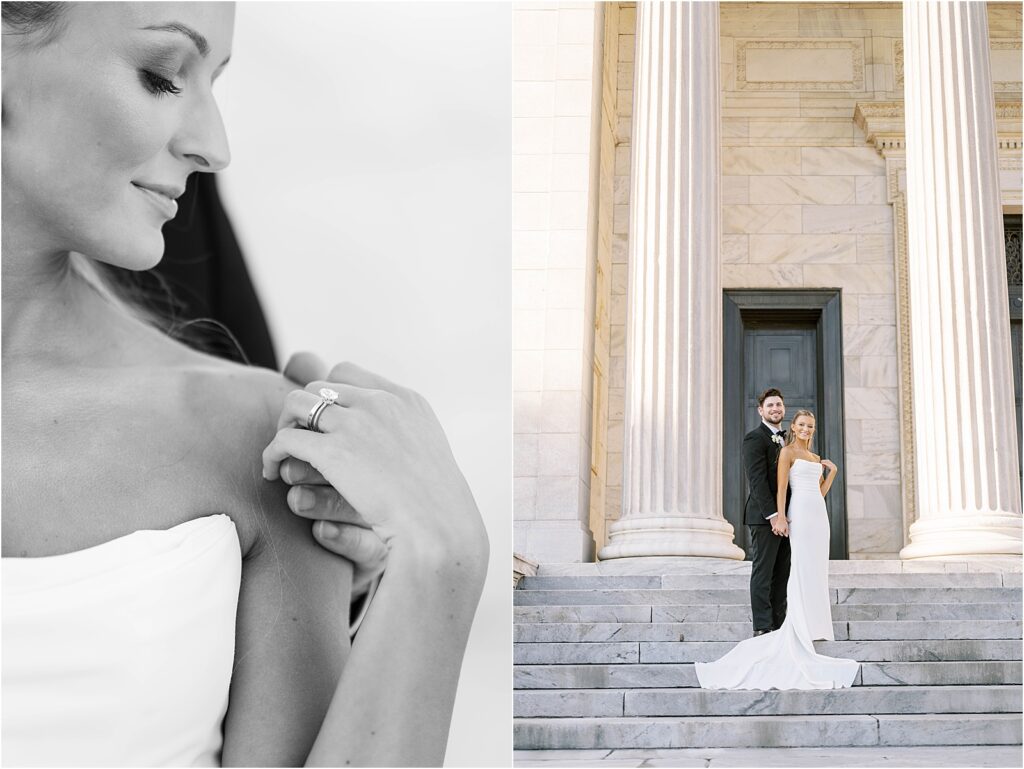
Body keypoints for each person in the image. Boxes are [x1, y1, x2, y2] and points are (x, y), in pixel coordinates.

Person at [0, 3, 489, 766]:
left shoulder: (251, 434)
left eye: (216, 83)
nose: (215, 146)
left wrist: (444, 559)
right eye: (161, 76)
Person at [695, 410, 859, 689]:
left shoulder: (815, 458)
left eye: (811, 426)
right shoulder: (787, 453)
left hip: (818, 514)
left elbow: (819, 493)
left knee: (816, 568)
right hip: (799, 514)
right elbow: (782, 488)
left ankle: (816, 623)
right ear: (793, 427)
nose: (806, 429)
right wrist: (780, 516)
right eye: (802, 425)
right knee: (800, 567)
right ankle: (796, 623)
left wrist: (832, 472)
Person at [742, 388, 791, 636]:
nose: (775, 409)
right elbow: (757, 481)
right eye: (770, 405)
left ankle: (778, 625)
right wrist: (773, 517)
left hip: (787, 518)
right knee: (763, 572)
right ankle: (762, 627)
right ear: (761, 410)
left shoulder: (787, 440)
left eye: (779, 405)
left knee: (782, 573)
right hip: (765, 519)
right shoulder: (755, 438)